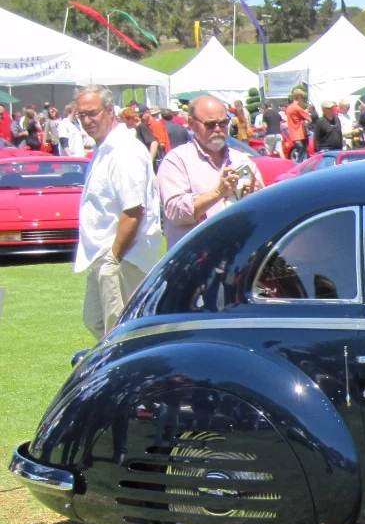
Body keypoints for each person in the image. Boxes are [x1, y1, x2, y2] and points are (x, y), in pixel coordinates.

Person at [73, 85, 164, 340]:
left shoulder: (124, 150)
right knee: (96, 320)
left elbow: (133, 209)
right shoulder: (104, 148)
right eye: (82, 115)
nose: (87, 121)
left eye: (93, 113)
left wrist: (113, 258)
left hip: (123, 256)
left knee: (121, 334)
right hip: (104, 255)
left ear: (110, 111)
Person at [156, 94, 265, 249]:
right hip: (196, 256)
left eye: (223, 123)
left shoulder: (241, 160)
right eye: (210, 124)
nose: (218, 129)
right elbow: (175, 212)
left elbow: (261, 212)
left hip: (238, 253)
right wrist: (218, 193)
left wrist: (257, 196)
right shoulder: (176, 161)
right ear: (191, 123)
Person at [284, 89, 310, 161]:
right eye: (303, 98)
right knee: (302, 154)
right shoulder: (298, 108)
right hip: (301, 134)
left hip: (293, 134)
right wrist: (306, 124)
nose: (303, 100)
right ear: (299, 97)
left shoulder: (289, 108)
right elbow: (309, 119)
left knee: (300, 153)